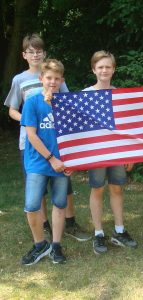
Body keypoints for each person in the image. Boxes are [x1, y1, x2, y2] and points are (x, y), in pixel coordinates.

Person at [3, 33, 90, 242]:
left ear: (44, 53)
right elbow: (12, 110)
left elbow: (68, 105)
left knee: (64, 184)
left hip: (58, 141)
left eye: (39, 51)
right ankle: (44, 226)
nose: (35, 55)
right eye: (31, 52)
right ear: (24, 55)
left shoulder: (56, 76)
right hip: (31, 141)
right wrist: (30, 120)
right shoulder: (19, 80)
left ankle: (69, 223)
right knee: (37, 187)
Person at [84, 50, 137, 255]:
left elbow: (128, 127)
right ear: (94, 70)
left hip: (118, 152)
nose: (104, 70)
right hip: (96, 152)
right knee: (97, 189)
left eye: (108, 67)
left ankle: (119, 230)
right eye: (100, 67)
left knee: (117, 189)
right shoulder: (86, 94)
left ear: (113, 69)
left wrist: (131, 154)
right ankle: (98, 233)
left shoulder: (121, 95)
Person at [20, 59, 72, 265]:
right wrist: (51, 159)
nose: (52, 82)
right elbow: (31, 135)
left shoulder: (67, 104)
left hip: (62, 162)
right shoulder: (32, 102)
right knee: (32, 205)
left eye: (56, 78)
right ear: (41, 78)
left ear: (62, 80)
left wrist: (71, 162)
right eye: (49, 78)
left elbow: (74, 135)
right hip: (38, 162)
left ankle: (56, 246)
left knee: (59, 203)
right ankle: (40, 244)